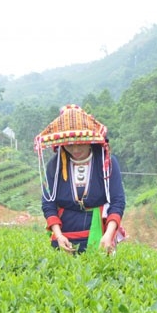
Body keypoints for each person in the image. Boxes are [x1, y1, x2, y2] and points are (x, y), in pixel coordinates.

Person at [34, 104, 126, 254]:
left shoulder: (106, 161)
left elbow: (117, 201)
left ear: (90, 140)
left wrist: (109, 235)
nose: (75, 150)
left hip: (100, 231)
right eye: (70, 145)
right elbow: (48, 203)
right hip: (65, 232)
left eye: (80, 143)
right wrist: (58, 236)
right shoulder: (54, 166)